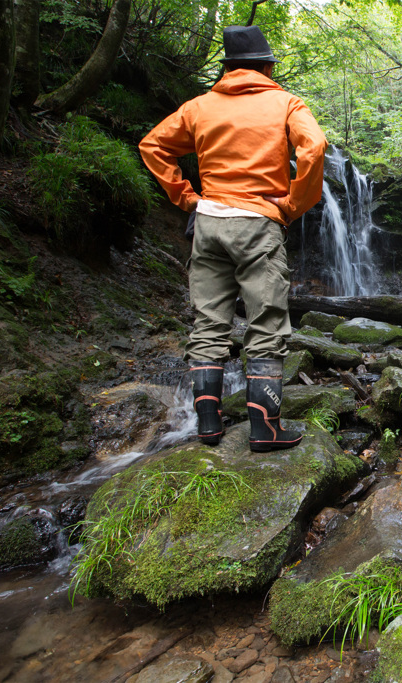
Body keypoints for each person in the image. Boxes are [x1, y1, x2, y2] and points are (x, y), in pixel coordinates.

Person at [139, 25, 327, 451]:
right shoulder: (285, 103)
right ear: (266, 66)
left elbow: (153, 145)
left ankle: (208, 426)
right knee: (265, 322)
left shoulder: (199, 107)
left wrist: (185, 197)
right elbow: (313, 148)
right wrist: (293, 205)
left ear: (227, 68)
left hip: (208, 223)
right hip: (258, 223)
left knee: (208, 323)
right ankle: (265, 429)